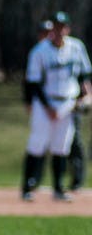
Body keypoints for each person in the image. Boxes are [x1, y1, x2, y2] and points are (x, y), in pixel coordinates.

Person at [21, 11, 92, 202]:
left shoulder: (77, 48)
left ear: (68, 28)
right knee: (37, 143)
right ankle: (27, 186)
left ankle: (59, 189)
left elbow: (84, 75)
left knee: (61, 147)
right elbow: (33, 83)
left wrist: (86, 92)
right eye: (56, 27)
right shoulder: (39, 51)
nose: (60, 31)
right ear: (51, 29)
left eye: (63, 27)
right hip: (45, 102)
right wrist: (48, 108)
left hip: (68, 103)